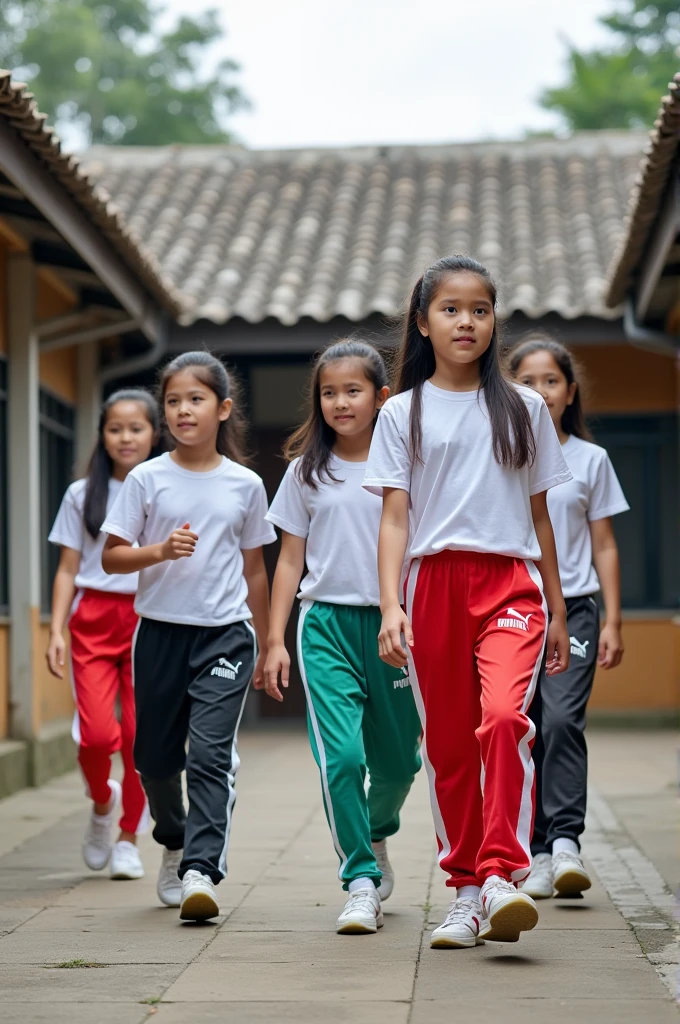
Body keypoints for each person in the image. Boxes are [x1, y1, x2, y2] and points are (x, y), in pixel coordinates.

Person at [364, 254, 572, 950]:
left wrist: (560, 609)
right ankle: (462, 894)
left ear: (493, 322)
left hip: (511, 583)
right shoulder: (401, 412)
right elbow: (395, 516)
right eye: (450, 309)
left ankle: (502, 874)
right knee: (451, 748)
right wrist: (390, 605)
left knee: (505, 718)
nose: (466, 321)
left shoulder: (526, 408)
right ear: (423, 322)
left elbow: (543, 519)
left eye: (479, 310)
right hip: (431, 588)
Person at [101, 352, 276, 922]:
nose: (182, 410)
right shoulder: (146, 478)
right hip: (158, 634)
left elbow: (255, 569)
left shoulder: (245, 484)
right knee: (151, 760)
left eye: (195, 399)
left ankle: (201, 869)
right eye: (173, 400)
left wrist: (270, 641)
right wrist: (159, 550)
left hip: (225, 635)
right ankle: (173, 841)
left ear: (222, 409)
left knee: (206, 754)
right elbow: (112, 557)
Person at [264, 339, 422, 935]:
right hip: (325, 625)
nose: (339, 402)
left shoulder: (409, 465)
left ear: (382, 397)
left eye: (352, 390)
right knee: (343, 758)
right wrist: (275, 639)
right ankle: (358, 878)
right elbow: (287, 561)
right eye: (328, 393)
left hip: (396, 627)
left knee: (400, 764)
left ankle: (377, 831)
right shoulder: (307, 471)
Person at [509, 336, 628, 899]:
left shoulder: (590, 459)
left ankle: (564, 844)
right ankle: (531, 852)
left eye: (550, 380)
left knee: (561, 721)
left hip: (576, 608)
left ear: (570, 391)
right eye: (526, 382)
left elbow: (604, 543)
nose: (539, 391)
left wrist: (612, 620)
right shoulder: (502, 457)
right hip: (515, 605)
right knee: (521, 728)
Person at [46, 389, 159, 880]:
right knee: (96, 737)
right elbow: (68, 568)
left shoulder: (163, 484)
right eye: (116, 429)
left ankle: (129, 836)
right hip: (91, 619)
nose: (126, 438)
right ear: (103, 436)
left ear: (154, 433)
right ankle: (101, 802)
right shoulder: (80, 494)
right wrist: (54, 630)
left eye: (136, 428)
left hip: (148, 615)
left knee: (139, 736)